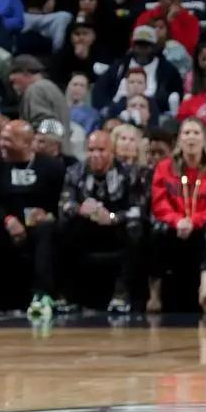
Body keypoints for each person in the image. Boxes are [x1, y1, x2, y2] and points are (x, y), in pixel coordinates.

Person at [0, 118, 66, 320]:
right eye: (1, 138)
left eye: (9, 140)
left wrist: (50, 214)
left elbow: (60, 202)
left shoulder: (51, 167)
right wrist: (8, 220)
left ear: (27, 143)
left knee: (48, 229)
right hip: (4, 226)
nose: (2, 144)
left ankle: (42, 295)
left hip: (37, 229)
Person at [56, 129, 147, 315]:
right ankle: (67, 296)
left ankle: (121, 294)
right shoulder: (75, 171)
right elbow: (64, 204)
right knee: (62, 228)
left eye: (101, 150)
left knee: (136, 228)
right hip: (86, 226)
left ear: (112, 152)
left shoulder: (129, 174)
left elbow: (138, 210)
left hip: (116, 229)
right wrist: (80, 209)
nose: (95, 155)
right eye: (91, 150)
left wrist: (112, 217)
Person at [149, 117, 206, 312]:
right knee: (156, 229)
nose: (191, 137)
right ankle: (154, 296)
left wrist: (193, 221)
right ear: (179, 139)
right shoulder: (164, 167)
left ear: (204, 139)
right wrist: (177, 221)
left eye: (196, 133)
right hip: (175, 227)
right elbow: (159, 203)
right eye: (186, 133)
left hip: (202, 226)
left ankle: (205, 291)